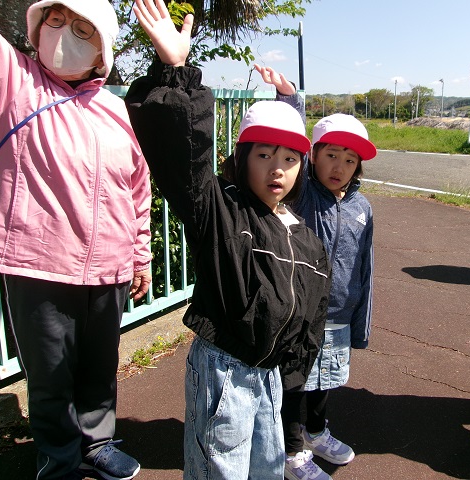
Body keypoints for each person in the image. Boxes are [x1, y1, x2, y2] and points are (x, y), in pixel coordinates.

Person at [124, 1, 330, 479]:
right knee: (220, 471)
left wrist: (294, 373)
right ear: (242, 158)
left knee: (266, 470)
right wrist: (176, 71)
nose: (277, 168)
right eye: (264, 155)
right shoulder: (221, 209)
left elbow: (312, 312)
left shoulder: (304, 236)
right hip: (225, 372)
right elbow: (185, 155)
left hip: (270, 376)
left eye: (290, 159)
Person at [0, 0, 152, 479]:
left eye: (82, 28)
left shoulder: (116, 109)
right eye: (55, 20)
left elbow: (137, 187)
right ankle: (57, 458)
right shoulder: (14, 82)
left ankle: (97, 442)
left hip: (110, 265)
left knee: (99, 366)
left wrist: (139, 255)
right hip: (37, 263)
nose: (63, 33)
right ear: (37, 29)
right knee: (50, 374)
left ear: (103, 52)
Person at [254, 65, 376, 480]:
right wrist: (290, 99)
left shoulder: (362, 207)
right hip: (300, 314)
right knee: (294, 383)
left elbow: (366, 267)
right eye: (331, 155)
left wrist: (360, 321)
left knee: (325, 380)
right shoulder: (303, 191)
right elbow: (292, 142)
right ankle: (290, 452)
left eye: (350, 159)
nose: (339, 166)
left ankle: (317, 431)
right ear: (313, 157)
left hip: (339, 314)